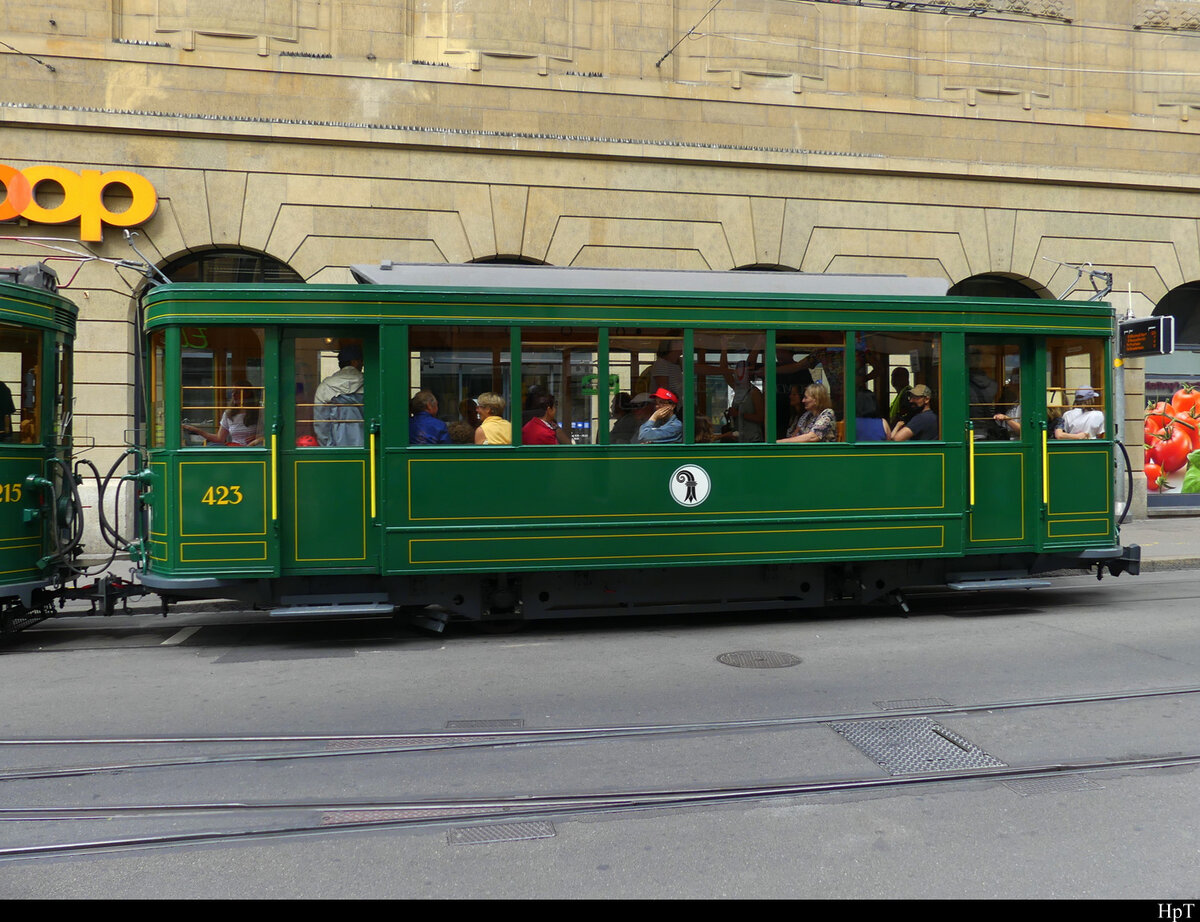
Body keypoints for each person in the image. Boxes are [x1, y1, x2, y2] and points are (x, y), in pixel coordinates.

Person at [183, 379, 263, 446]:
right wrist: (196, 430)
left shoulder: (259, 411)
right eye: (232, 392)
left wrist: (260, 437)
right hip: (236, 450)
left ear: (248, 394)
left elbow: (270, 433)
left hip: (255, 450)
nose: (233, 395)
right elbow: (220, 438)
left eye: (238, 392)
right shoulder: (229, 414)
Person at [313, 344, 364, 447]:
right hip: (368, 447)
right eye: (361, 361)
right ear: (355, 362)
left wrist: (327, 447)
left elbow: (321, 423)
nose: (362, 364)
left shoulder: (325, 387)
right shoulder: (373, 385)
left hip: (337, 447)